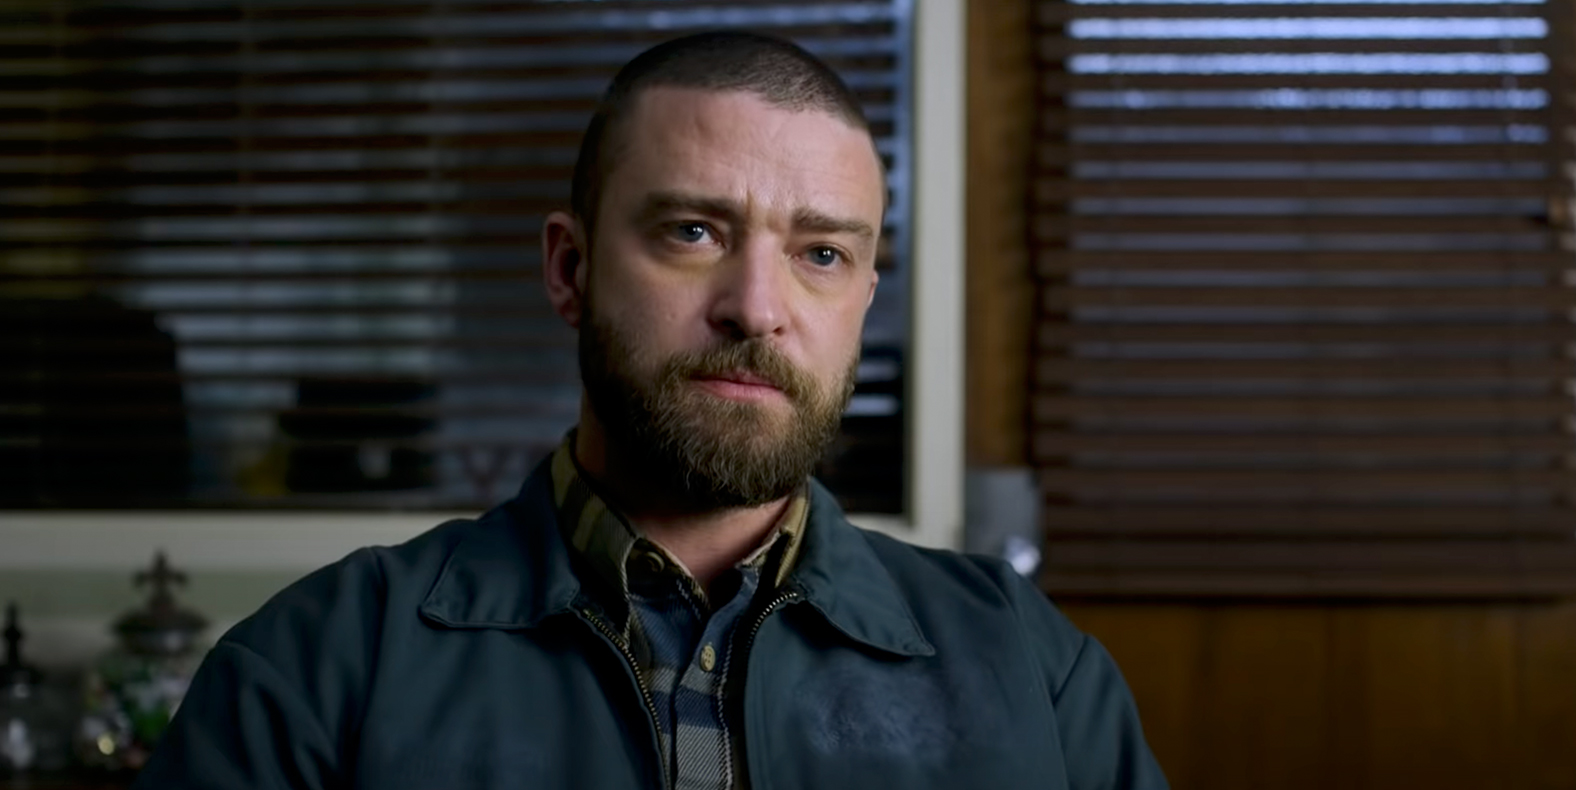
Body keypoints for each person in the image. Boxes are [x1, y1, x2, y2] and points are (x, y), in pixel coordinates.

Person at [133, 31, 1166, 790]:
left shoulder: (1033, 669)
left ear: (862, 297)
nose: (755, 308)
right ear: (570, 269)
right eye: (692, 232)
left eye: (820, 253)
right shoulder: (319, 670)